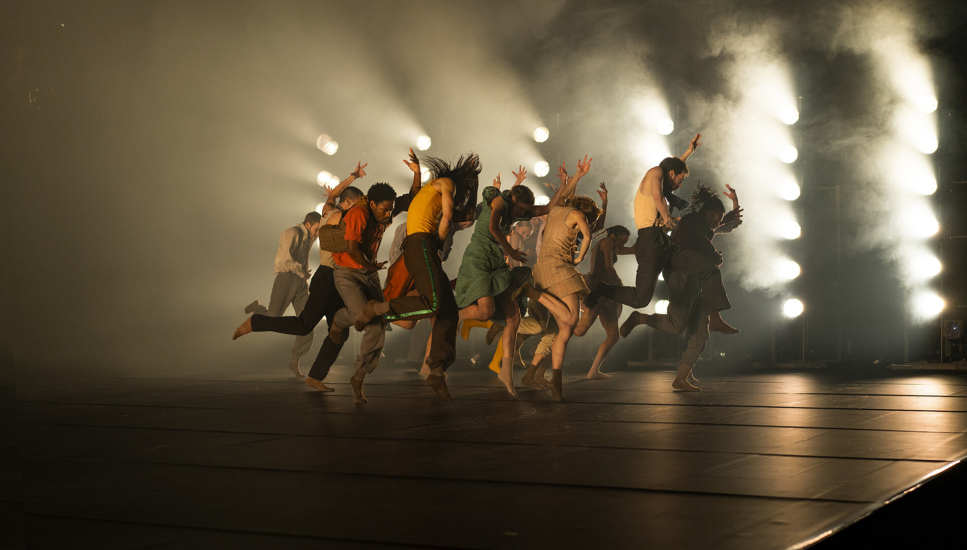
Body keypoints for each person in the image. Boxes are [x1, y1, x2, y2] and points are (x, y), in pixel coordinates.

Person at [352, 154, 480, 402]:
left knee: (448, 310)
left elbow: (464, 216)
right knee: (433, 303)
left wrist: (473, 185)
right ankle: (378, 308)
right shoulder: (446, 185)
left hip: (424, 247)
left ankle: (437, 370)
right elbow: (448, 217)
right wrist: (439, 242)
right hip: (420, 245)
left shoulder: (433, 190)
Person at [584, 134, 738, 334]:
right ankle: (604, 290)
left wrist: (688, 153)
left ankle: (715, 317)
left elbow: (672, 171)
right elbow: (658, 192)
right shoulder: (654, 172)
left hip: (665, 244)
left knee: (708, 266)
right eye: (680, 179)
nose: (680, 185)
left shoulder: (665, 175)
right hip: (649, 243)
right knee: (640, 300)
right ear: (672, 173)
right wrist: (667, 218)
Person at [232, 164, 367, 390]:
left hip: (339, 280)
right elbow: (335, 196)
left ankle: (315, 376)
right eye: (359, 204)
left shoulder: (338, 214)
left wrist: (352, 177)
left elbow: (334, 194)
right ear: (350, 202)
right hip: (326, 278)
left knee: (339, 331)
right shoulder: (333, 215)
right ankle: (255, 322)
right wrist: (351, 178)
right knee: (304, 325)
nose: (361, 209)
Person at [454, 166, 578, 397]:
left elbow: (549, 208)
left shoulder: (518, 211)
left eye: (526, 210)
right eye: (522, 208)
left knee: (513, 318)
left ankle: (506, 372)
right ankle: (460, 314)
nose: (524, 212)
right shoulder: (500, 203)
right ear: (513, 199)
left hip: (498, 264)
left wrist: (563, 185)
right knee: (484, 313)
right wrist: (510, 249)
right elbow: (493, 227)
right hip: (480, 260)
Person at [619, 184, 743, 391]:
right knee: (676, 326)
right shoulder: (688, 222)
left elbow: (732, 224)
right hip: (680, 274)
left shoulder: (707, 226)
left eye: (720, 216)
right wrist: (713, 255)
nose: (717, 220)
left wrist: (735, 201)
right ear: (704, 213)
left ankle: (681, 377)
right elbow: (692, 240)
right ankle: (640, 318)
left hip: (699, 281)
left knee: (701, 333)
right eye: (714, 215)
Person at [529, 156, 596, 401]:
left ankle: (557, 384)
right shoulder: (577, 215)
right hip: (559, 268)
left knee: (564, 331)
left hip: (543, 269)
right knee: (571, 317)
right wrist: (579, 258)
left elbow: (564, 195)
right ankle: (534, 294)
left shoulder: (556, 209)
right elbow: (587, 237)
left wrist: (577, 176)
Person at [326, 182, 398, 402]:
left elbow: (411, 196)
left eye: (391, 209)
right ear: (373, 203)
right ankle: (339, 319)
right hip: (348, 272)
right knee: (362, 315)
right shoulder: (359, 213)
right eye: (384, 209)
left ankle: (358, 377)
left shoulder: (383, 212)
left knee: (378, 325)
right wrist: (371, 267)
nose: (388, 214)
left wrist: (416, 174)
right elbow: (352, 249)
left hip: (369, 272)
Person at [233, 210, 322, 376]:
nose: (317, 234)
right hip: (286, 278)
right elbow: (285, 259)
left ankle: (295, 361)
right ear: (307, 224)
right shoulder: (291, 233)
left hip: (301, 283)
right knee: (273, 319)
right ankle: (258, 309)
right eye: (316, 229)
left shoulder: (311, 237)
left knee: (308, 323)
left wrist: (304, 277)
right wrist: (302, 273)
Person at [571, 224, 635, 379]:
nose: (622, 246)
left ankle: (593, 371)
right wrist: (618, 281)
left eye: (624, 243)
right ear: (613, 236)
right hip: (599, 288)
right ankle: (557, 330)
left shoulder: (613, 244)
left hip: (607, 291)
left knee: (613, 335)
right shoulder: (607, 242)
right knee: (579, 331)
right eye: (621, 241)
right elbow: (608, 267)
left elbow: (631, 250)